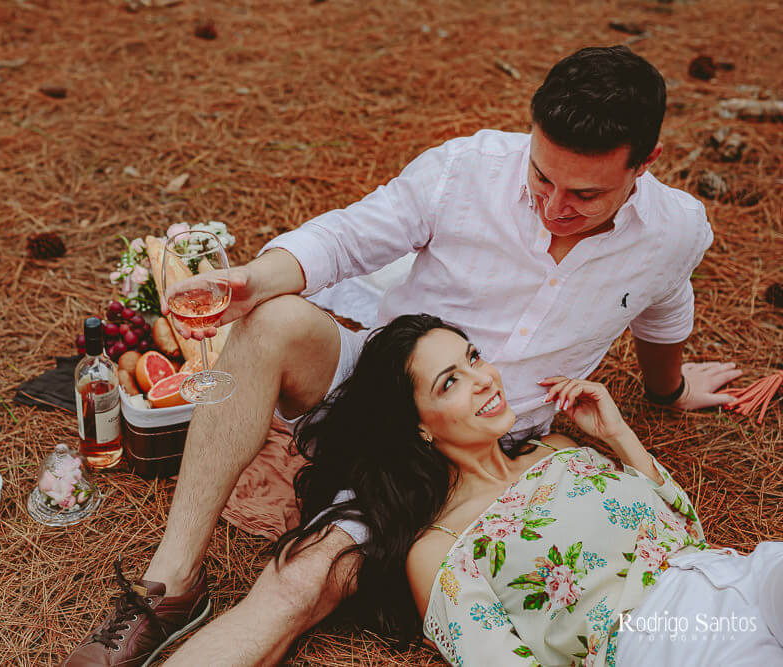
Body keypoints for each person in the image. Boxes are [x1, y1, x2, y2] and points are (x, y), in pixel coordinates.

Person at [63, 46, 742, 666]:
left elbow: (663, 305)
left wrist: (667, 391)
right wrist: (255, 278)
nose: (553, 205)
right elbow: (350, 236)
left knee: (304, 578)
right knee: (272, 320)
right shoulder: (464, 170)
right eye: (541, 177)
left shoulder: (675, 230)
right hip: (382, 376)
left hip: (465, 458)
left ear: (643, 166)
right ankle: (172, 581)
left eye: (584, 195)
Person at [276, 314, 783, 666]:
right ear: (418, 427)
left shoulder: (558, 448)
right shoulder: (440, 549)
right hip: (666, 641)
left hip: (743, 574)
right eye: (450, 382)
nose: (483, 379)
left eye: (473, 357)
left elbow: (685, 532)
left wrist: (618, 437)